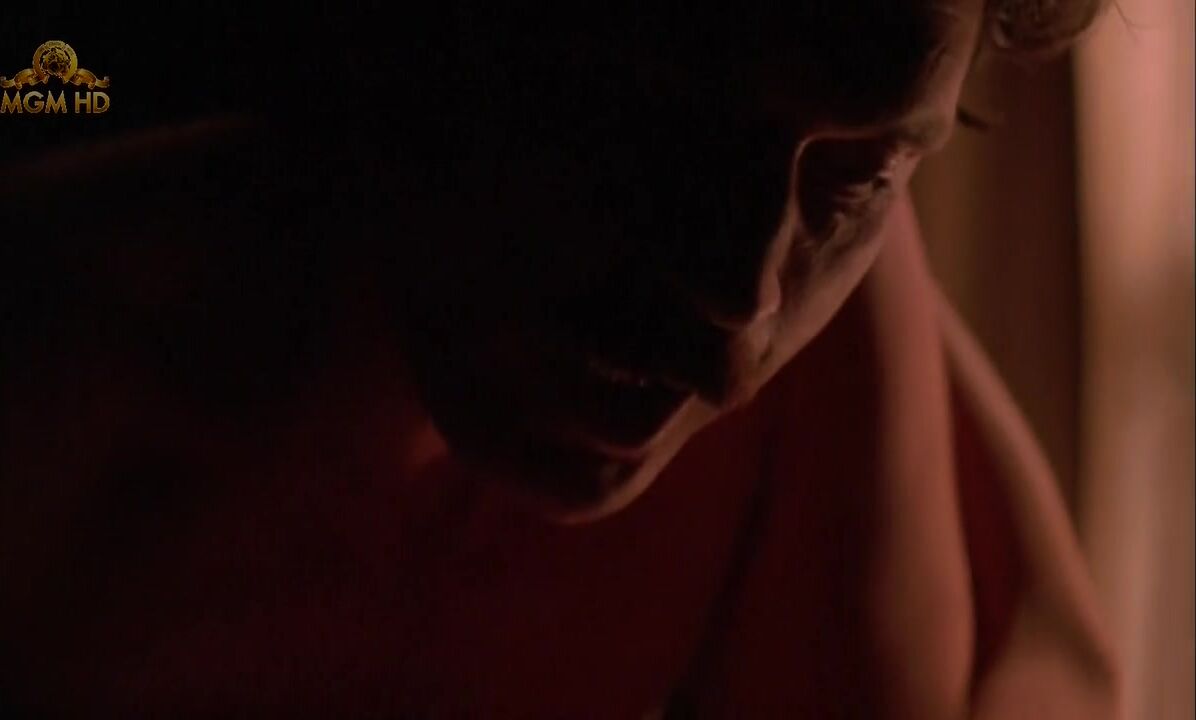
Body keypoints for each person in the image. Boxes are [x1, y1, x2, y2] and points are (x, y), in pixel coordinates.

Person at [0, 1, 1120, 716]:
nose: (739, 307)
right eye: (654, 117)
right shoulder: (74, 369)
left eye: (857, 174)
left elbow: (1058, 666)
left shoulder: (833, 298)